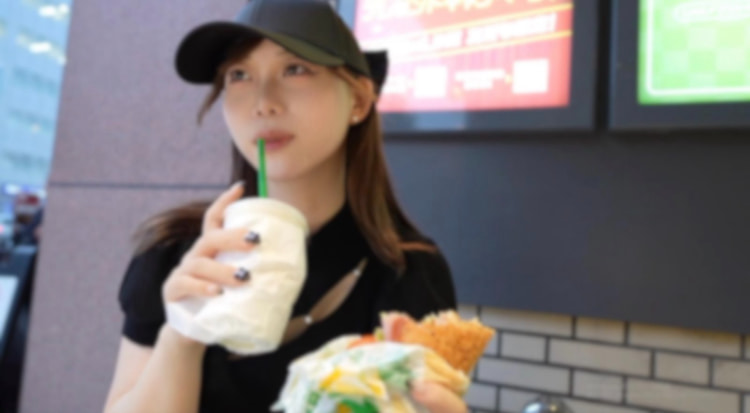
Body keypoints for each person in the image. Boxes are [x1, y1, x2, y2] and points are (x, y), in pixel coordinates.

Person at [103, 1, 465, 412]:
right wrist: (182, 335)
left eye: (295, 69)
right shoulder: (175, 254)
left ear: (359, 101)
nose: (263, 103)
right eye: (238, 75)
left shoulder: (409, 273)